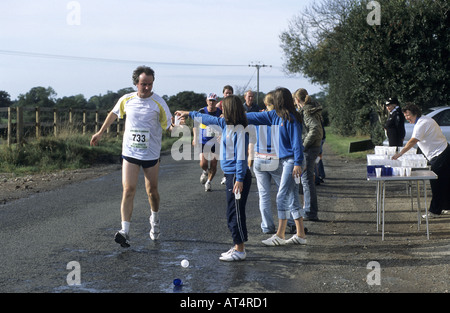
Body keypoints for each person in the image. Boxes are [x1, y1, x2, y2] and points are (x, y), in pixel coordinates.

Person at [90, 66, 173, 248]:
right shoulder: (126, 99)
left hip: (150, 153)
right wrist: (100, 132)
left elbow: (169, 126)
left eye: (150, 84)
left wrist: (178, 127)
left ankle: (155, 219)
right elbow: (113, 114)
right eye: (143, 84)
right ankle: (125, 231)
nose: (147, 88)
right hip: (130, 152)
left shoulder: (159, 103)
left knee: (152, 191)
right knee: (128, 189)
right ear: (136, 83)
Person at [175, 95, 252, 261]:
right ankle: (237, 245)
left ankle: (240, 250)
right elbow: (207, 118)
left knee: (235, 213)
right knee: (232, 212)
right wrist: (189, 113)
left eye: (223, 107)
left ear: (230, 109)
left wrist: (239, 179)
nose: (220, 109)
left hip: (237, 177)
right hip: (233, 176)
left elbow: (241, 157)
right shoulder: (226, 124)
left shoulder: (238, 129)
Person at [247, 87, 307, 246]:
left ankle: (280, 235)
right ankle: (300, 234)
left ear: (280, 100)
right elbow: (254, 116)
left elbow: (296, 144)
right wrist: (234, 116)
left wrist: (298, 163)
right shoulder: (274, 115)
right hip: (283, 161)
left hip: (291, 161)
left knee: (282, 196)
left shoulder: (291, 118)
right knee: (292, 197)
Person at [392, 103, 450, 219]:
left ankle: (434, 211)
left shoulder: (422, 123)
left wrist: (400, 153)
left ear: (415, 113)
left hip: (440, 154)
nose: (406, 117)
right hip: (444, 152)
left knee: (437, 184)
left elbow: (413, 141)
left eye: (408, 115)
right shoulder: (424, 120)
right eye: (405, 115)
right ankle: (446, 207)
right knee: (445, 182)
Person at [293, 88, 323, 221]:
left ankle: (310, 212)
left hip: (309, 148)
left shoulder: (307, 112)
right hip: (314, 146)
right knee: (308, 179)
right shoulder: (312, 109)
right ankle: (311, 211)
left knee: (306, 180)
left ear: (297, 100)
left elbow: (315, 128)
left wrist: (304, 145)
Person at [193, 93, 222, 192]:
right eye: (210, 100)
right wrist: (195, 138)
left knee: (214, 164)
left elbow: (223, 125)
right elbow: (195, 125)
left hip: (215, 142)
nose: (211, 102)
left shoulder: (220, 112)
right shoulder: (201, 111)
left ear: (216, 102)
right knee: (203, 163)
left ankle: (208, 182)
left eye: (213, 101)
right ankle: (205, 171)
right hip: (203, 140)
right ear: (206, 101)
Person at [216, 85, 234, 185]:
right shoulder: (219, 105)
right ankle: (225, 175)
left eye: (230, 93)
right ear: (223, 94)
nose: (228, 94)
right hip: (222, 129)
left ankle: (233, 173)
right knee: (223, 154)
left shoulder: (234, 103)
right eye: (226, 93)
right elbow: (216, 118)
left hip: (233, 129)